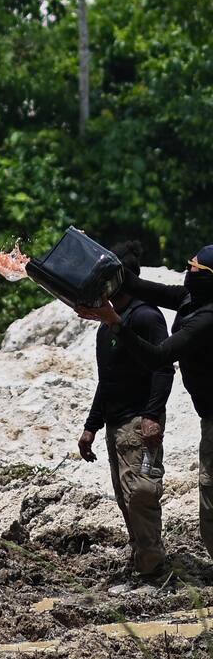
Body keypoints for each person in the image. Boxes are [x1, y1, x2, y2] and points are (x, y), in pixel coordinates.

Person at [79, 244, 213, 559]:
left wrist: (115, 322)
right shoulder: (189, 299)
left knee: (210, 502)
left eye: (195, 267)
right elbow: (135, 285)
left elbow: (158, 358)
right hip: (208, 415)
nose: (187, 268)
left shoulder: (207, 318)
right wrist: (94, 255)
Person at [76, 243, 173, 577]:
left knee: (140, 496)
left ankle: (154, 570)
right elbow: (107, 380)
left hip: (139, 422)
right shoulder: (107, 327)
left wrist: (152, 416)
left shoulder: (146, 317)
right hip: (116, 423)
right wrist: (92, 426)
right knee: (124, 499)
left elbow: (163, 369)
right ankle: (141, 561)